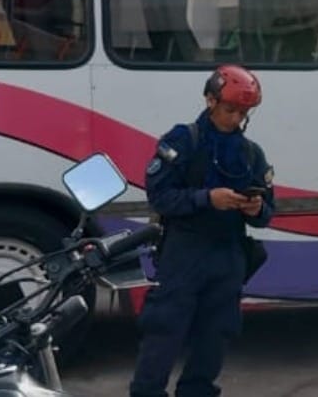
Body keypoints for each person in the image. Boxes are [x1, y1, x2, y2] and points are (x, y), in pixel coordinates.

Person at [130, 65, 275, 397]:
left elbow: (268, 212)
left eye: (243, 112)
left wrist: (256, 209)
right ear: (210, 100)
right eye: (230, 110)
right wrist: (206, 199)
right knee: (164, 329)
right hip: (185, 252)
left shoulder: (250, 153)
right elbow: (160, 197)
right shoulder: (182, 141)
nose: (236, 118)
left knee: (216, 334)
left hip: (228, 254)